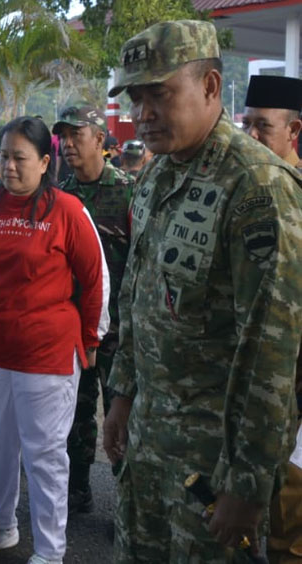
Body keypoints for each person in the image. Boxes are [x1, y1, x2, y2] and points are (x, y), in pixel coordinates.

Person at [102, 20, 302, 563]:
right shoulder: (155, 177)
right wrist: (121, 396)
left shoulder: (256, 188)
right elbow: (136, 296)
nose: (142, 113)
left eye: (159, 94)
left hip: (212, 467)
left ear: (211, 87)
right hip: (147, 443)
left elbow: (272, 352)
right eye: (136, 97)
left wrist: (249, 481)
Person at [0, 115, 107, 563]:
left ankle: (50, 551)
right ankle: (1, 527)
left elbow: (95, 277)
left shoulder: (66, 210)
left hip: (47, 355)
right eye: (2, 157)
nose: (8, 166)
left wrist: (90, 338)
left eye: (19, 158)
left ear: (44, 162)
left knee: (44, 457)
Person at [52, 103, 133, 516]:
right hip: (75, 330)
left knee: (122, 420)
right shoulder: (60, 196)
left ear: (100, 141)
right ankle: (77, 489)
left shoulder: (128, 191)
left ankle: (127, 506)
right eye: (62, 137)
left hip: (118, 332)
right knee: (75, 416)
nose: (67, 145)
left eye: (76, 136)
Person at [240, 74, 302, 564]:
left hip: (293, 382)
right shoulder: (246, 193)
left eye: (263, 126)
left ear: (295, 131)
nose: (252, 137)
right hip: (245, 380)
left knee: (289, 505)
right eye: (247, 125)